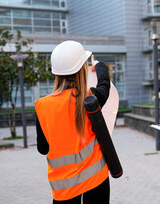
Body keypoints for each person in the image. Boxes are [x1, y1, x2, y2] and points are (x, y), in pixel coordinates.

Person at [35, 40, 111, 204]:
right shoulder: (90, 99)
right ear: (82, 69)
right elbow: (105, 84)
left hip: (64, 187)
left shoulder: (42, 106)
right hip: (96, 179)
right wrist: (98, 65)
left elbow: (43, 148)